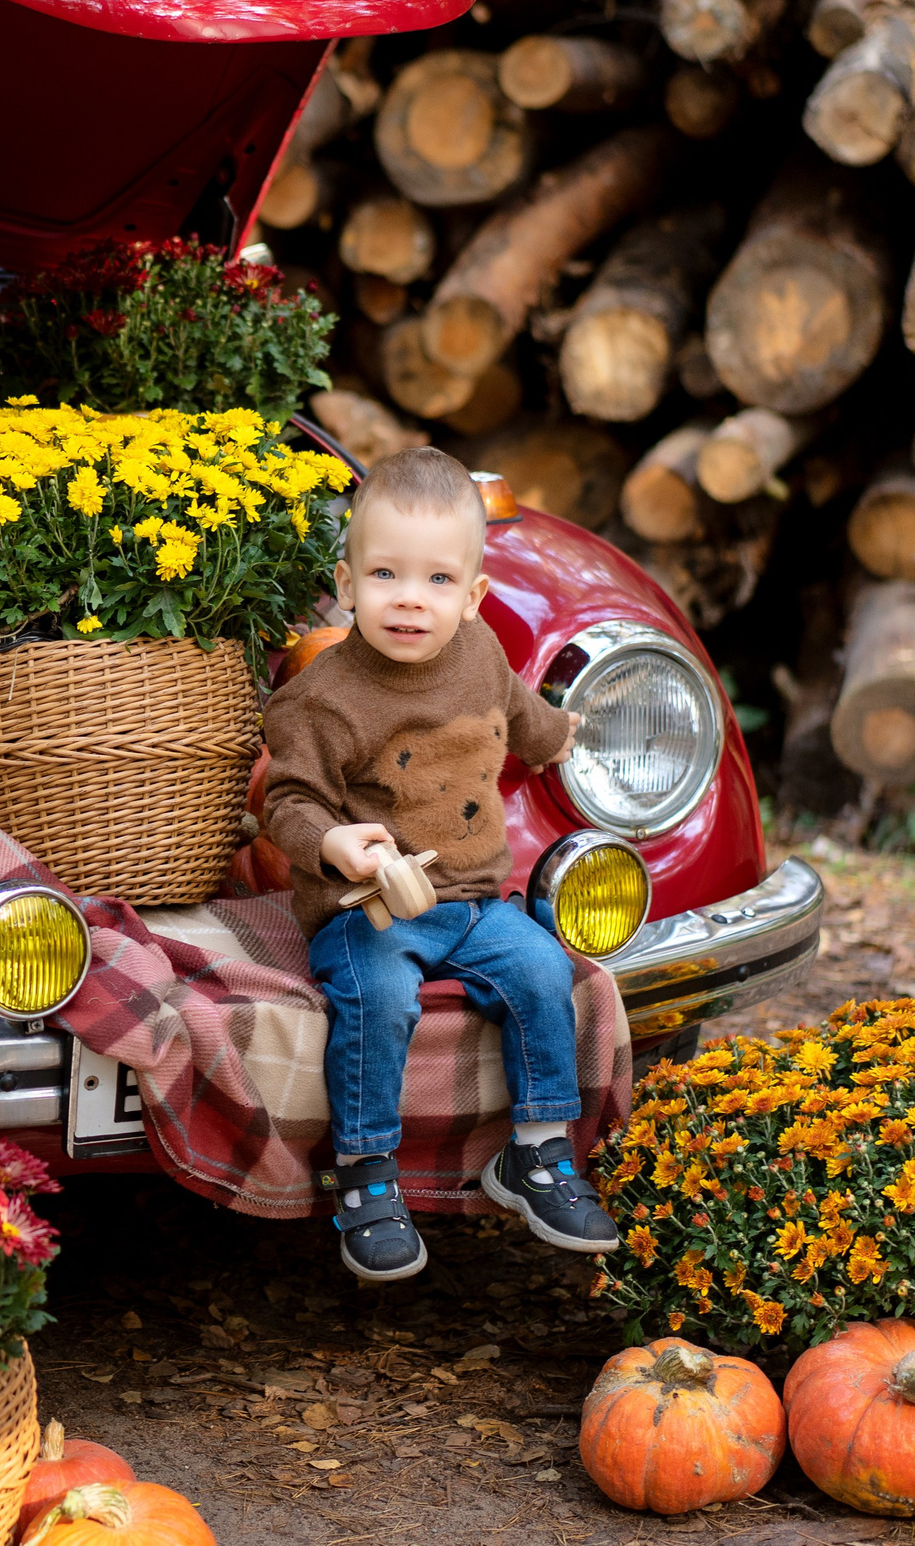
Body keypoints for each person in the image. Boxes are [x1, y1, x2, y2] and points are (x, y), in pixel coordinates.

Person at [261, 446, 620, 1281]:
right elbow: (285, 801)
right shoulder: (324, 698)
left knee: (540, 967)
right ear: (347, 587)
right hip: (370, 908)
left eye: (436, 581)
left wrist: (565, 735)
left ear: (473, 595)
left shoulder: (482, 652)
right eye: (385, 574)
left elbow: (524, 717)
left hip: (470, 899)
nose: (410, 600)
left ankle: (535, 1155)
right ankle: (366, 1175)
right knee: (379, 995)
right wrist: (330, 841)